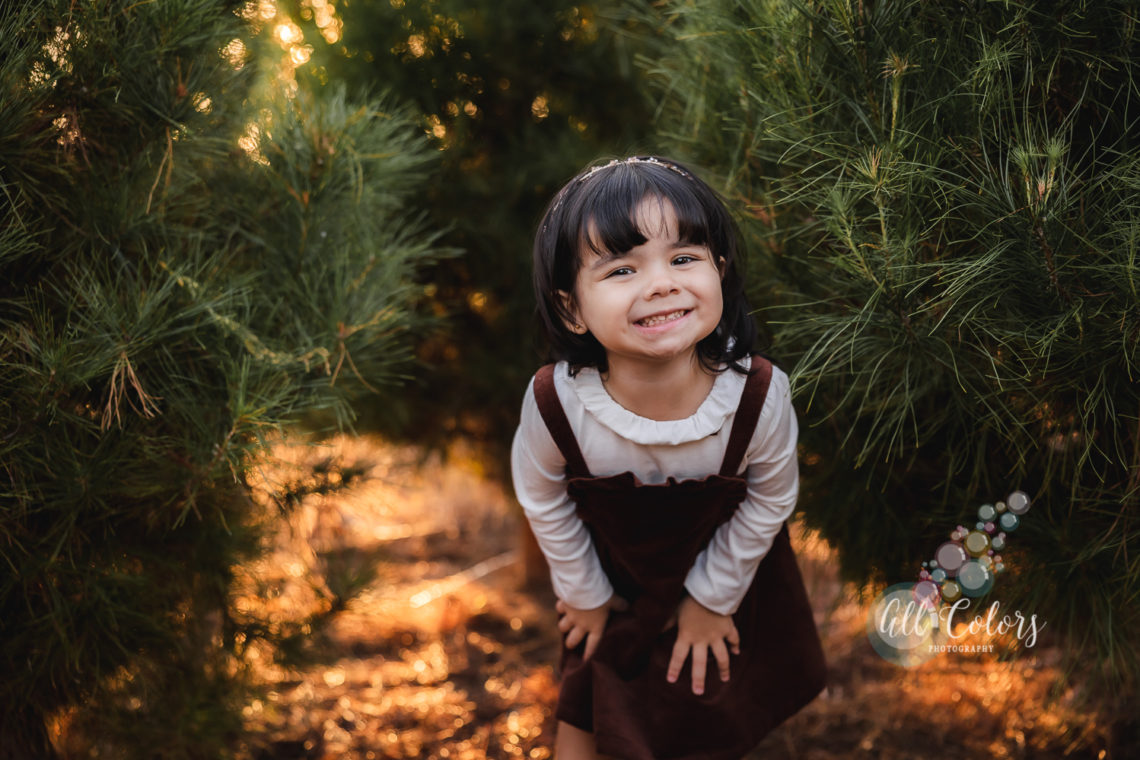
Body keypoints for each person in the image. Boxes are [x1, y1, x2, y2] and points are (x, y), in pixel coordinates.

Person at [510, 156, 827, 760]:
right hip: (615, 584)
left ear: (720, 270)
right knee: (586, 714)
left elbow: (772, 496)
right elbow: (541, 492)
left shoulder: (757, 395)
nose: (661, 283)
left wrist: (712, 599)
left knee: (705, 709)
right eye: (622, 269)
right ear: (572, 307)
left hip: (725, 575)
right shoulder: (557, 402)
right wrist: (583, 590)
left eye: (684, 259)